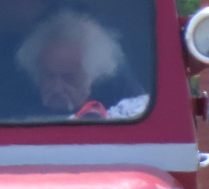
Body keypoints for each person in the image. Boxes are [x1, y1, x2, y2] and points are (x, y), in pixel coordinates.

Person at [14, 11, 149, 120]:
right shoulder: (15, 97)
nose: (57, 88)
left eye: (69, 78)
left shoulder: (122, 94)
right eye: (48, 76)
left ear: (94, 75)